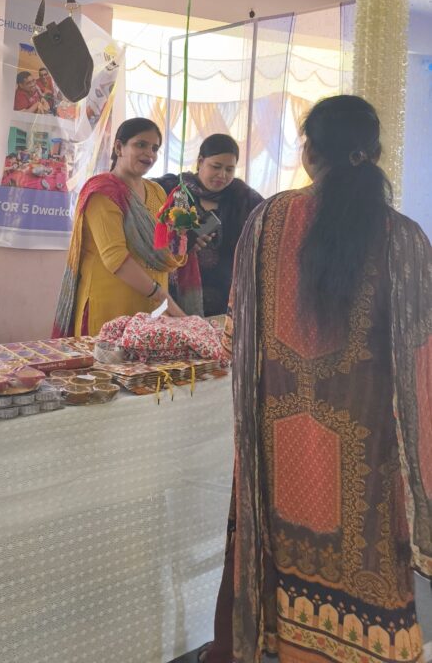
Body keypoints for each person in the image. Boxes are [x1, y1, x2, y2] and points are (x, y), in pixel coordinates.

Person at [203, 95, 432, 663]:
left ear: (309, 153)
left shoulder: (266, 222)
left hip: (280, 446)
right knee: (371, 574)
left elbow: (237, 334)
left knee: (286, 565)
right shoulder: (402, 239)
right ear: (373, 154)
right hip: (365, 450)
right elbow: (422, 360)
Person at [53, 117, 185, 337]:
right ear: (118, 147)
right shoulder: (103, 192)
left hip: (151, 308)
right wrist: (163, 297)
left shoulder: (156, 192)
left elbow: (160, 247)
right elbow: (115, 258)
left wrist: (181, 237)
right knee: (108, 359)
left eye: (154, 148)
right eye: (141, 144)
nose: (149, 154)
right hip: (109, 307)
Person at [156, 134, 263, 316]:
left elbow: (270, 217)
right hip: (175, 296)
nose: (222, 175)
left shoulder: (242, 197)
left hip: (226, 297)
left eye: (229, 169)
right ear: (200, 161)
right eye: (216, 166)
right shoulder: (174, 189)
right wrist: (182, 239)